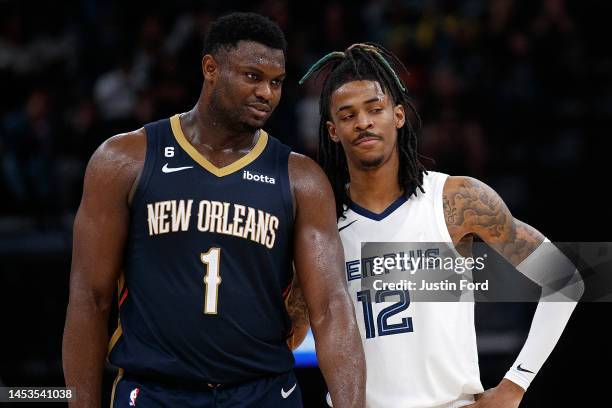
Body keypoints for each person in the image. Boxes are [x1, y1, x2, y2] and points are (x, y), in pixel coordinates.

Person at [62, 13, 365, 408]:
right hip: (155, 391)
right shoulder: (125, 159)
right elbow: (90, 298)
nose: (267, 93)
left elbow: (330, 309)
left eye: (276, 82)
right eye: (252, 76)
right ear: (210, 68)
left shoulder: (300, 178)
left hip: (263, 390)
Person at [299, 43, 583, 408]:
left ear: (398, 116)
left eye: (375, 109)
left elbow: (564, 278)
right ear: (332, 130)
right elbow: (292, 330)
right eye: (348, 114)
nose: (364, 122)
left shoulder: (456, 200)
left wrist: (515, 385)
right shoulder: (319, 223)